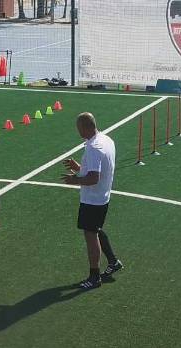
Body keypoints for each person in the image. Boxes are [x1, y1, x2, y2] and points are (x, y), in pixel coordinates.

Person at [61, 112, 124, 289]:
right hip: (102, 196)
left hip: (93, 199)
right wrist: (79, 168)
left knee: (90, 234)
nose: (78, 131)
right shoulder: (106, 140)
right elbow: (98, 170)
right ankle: (113, 261)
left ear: (86, 126)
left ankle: (94, 276)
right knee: (96, 229)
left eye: (79, 128)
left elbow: (93, 178)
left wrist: (75, 180)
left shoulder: (94, 148)